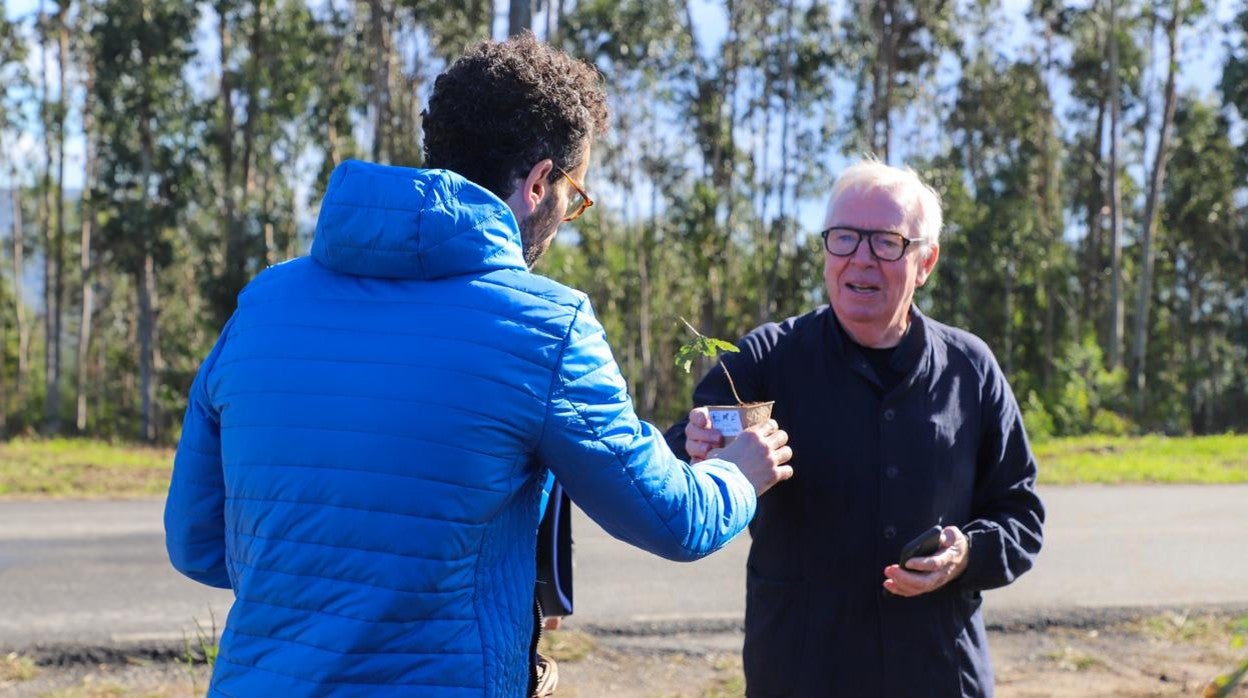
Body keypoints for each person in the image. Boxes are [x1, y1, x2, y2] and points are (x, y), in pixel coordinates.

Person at [164, 33, 793, 697]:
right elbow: (673, 519)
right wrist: (738, 474)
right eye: (575, 196)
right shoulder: (544, 327)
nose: (565, 217)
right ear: (539, 182)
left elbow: (196, 541)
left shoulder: (263, 304)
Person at [666, 159, 1044, 697]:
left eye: (886, 242)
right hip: (802, 671)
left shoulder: (971, 368)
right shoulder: (766, 359)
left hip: (937, 672)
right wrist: (692, 445)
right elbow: (683, 452)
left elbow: (1020, 515)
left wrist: (966, 554)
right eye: (843, 238)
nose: (860, 259)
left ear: (925, 261)